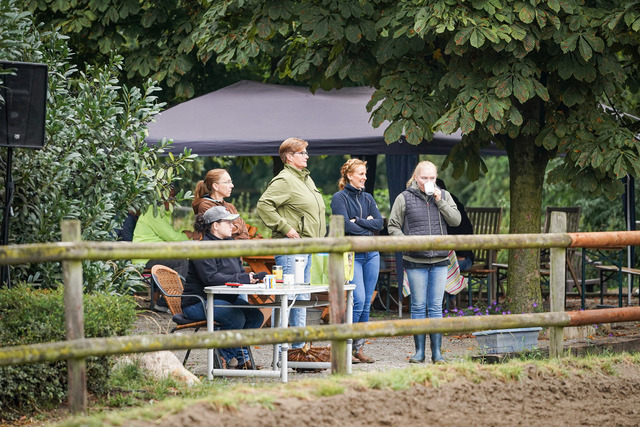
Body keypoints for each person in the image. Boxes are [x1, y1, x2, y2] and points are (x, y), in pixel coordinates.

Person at [388, 161, 461, 363]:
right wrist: (407, 243)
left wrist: (440, 201)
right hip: (415, 259)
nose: (428, 181)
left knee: (436, 306)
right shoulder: (404, 198)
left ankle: (437, 352)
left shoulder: (444, 195)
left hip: (440, 259)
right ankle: (419, 352)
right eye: (424, 178)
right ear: (415, 177)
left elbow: (456, 221)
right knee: (419, 306)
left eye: (432, 178)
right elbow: (393, 226)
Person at [256, 137, 326, 349]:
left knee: (301, 298)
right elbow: (264, 205)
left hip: (307, 246)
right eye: (302, 153)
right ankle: (282, 352)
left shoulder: (305, 179)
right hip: (291, 248)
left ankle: (297, 349)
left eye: (306, 152)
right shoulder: (285, 179)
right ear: (289, 157)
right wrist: (286, 228)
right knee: (289, 298)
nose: (307, 156)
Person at [181, 206, 265, 369]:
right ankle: (222, 358)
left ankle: (237, 356)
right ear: (215, 225)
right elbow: (211, 279)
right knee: (236, 317)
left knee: (255, 316)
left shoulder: (230, 244)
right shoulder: (203, 248)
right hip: (197, 303)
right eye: (228, 223)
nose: (233, 226)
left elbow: (239, 272)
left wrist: (251, 279)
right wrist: (242, 278)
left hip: (224, 299)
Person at [330, 158, 383, 363]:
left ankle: (358, 349)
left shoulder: (368, 197)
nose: (365, 177)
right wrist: (367, 225)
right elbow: (344, 225)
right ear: (349, 175)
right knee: (358, 300)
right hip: (352, 255)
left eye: (365, 173)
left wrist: (359, 221)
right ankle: (345, 346)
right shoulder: (339, 198)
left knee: (367, 302)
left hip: (372, 254)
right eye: (361, 174)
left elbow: (379, 223)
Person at [133, 189, 200, 312]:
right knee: (182, 261)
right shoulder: (153, 212)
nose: (173, 200)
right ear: (161, 197)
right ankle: (172, 302)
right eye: (170, 197)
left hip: (156, 254)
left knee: (184, 260)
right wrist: (189, 236)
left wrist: (184, 234)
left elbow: (170, 236)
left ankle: (166, 302)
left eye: (173, 197)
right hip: (145, 257)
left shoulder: (162, 212)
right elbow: (173, 238)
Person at [436, 178, 474, 307]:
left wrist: (458, 255)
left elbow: (463, 233)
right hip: (441, 257)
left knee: (442, 268)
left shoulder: (452, 207)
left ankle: (446, 301)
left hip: (461, 257)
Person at [192, 169, 250, 240]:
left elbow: (245, 233)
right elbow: (220, 232)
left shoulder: (231, 206)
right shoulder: (205, 205)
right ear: (215, 186)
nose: (232, 185)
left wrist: (237, 229)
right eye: (227, 182)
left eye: (231, 182)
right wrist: (240, 227)